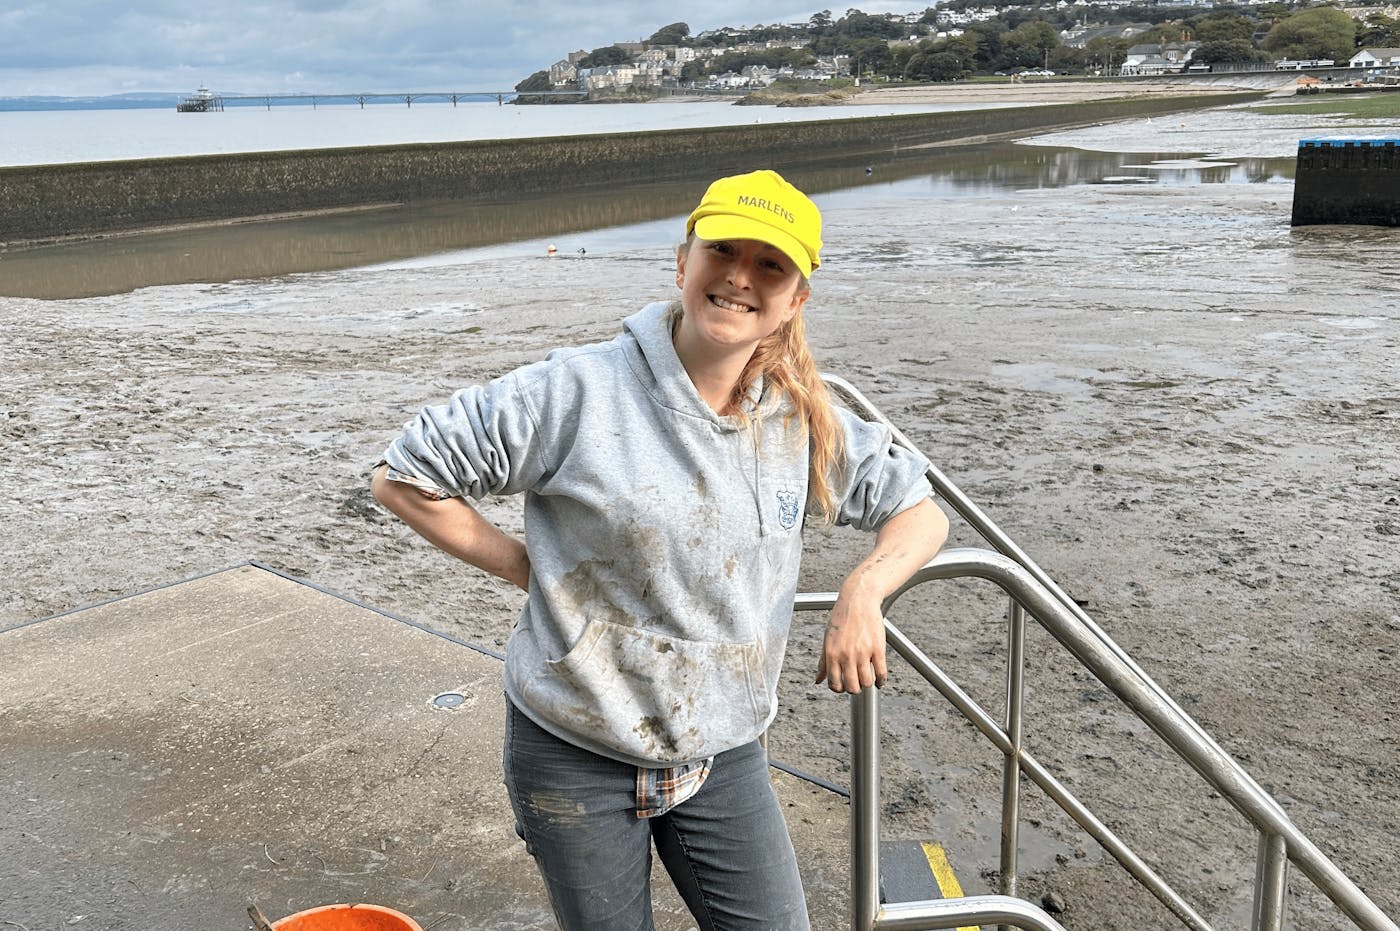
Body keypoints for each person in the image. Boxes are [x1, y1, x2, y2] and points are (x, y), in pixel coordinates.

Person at [371, 169, 949, 930]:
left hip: (724, 748)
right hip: (575, 748)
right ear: (683, 263)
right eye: (722, 251)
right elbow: (405, 476)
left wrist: (863, 591)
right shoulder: (575, 392)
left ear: (795, 300)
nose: (739, 277)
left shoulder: (800, 419)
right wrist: (531, 569)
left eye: (769, 265)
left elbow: (919, 511)